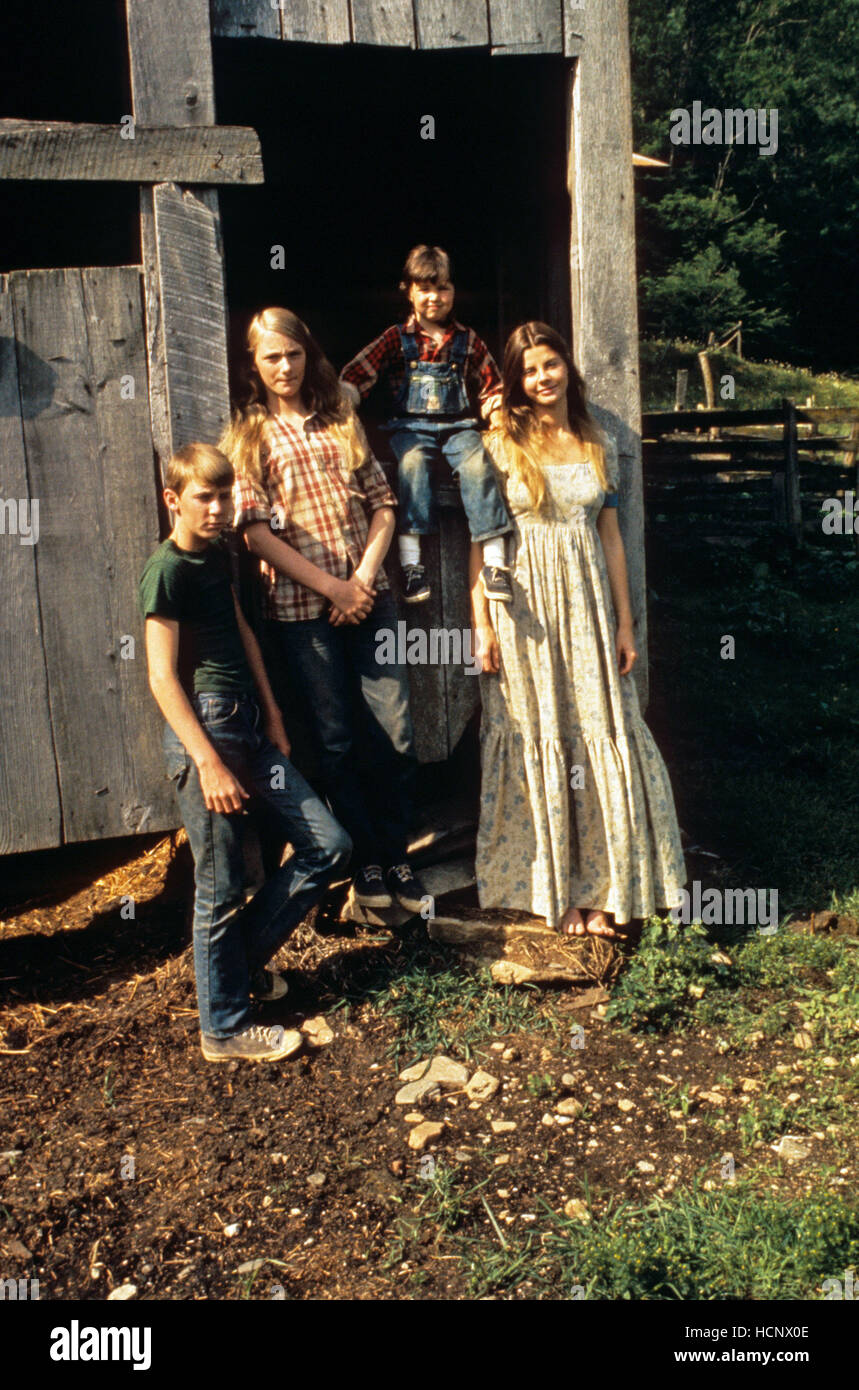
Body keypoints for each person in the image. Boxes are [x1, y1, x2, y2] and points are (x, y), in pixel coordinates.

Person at [470, 323, 685, 937]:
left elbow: (611, 538)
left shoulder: (598, 441)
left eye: (551, 364)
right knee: (541, 731)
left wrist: (624, 620)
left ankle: (606, 885)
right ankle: (554, 889)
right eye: (530, 370)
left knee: (598, 728)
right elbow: (480, 541)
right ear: (516, 380)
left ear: (568, 367)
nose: (543, 378)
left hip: (589, 606)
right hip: (525, 610)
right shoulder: (500, 444)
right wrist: (480, 622)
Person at [139, 442, 352, 1062]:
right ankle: (224, 1028)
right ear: (173, 500)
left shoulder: (220, 557)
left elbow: (244, 635)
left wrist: (276, 719)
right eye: (203, 497)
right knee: (221, 883)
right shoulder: (168, 569)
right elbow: (159, 676)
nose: (217, 507)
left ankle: (236, 970)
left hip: (251, 733)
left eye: (224, 495)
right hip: (209, 736)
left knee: (328, 845)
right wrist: (207, 763)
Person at [223, 307, 426, 915]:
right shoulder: (250, 436)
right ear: (254, 367)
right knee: (334, 741)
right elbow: (256, 535)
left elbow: (384, 507)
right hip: (301, 613)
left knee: (395, 731)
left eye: (293, 354)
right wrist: (331, 589)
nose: (285, 367)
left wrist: (361, 578)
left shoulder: (340, 420)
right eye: (271, 358)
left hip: (371, 600)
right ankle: (364, 861)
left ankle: (398, 857)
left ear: (308, 355)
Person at [340, 244, 514, 605]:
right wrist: (345, 405)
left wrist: (496, 412)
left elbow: (493, 383)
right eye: (425, 288)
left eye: (443, 287)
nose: (434, 297)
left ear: (454, 291)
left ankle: (496, 563)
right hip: (410, 428)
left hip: (459, 427)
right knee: (413, 464)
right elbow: (354, 376)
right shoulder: (395, 338)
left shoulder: (468, 340)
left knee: (479, 464)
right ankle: (411, 565)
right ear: (408, 290)